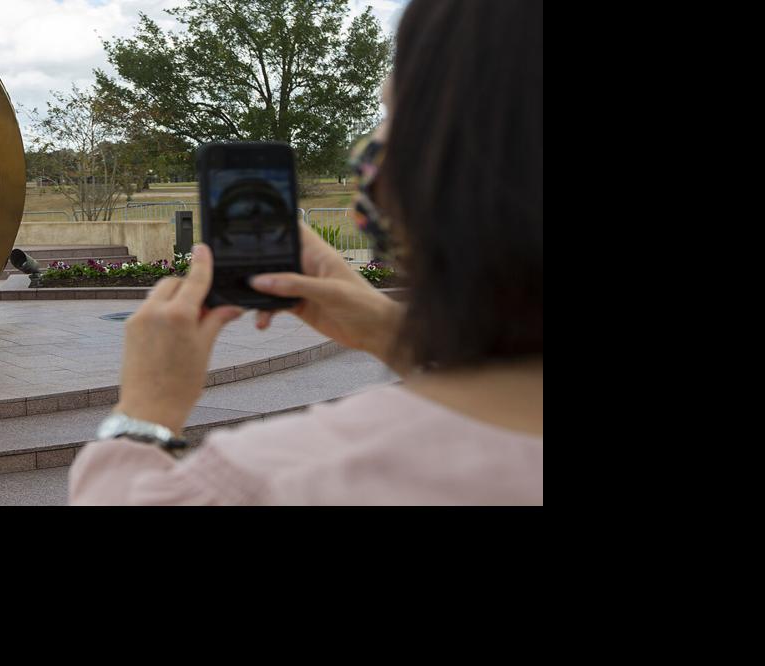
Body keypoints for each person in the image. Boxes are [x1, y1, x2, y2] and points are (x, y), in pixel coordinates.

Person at [69, 0, 543, 505]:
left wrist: (144, 414)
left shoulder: (284, 477)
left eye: (391, 111)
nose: (373, 145)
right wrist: (400, 339)